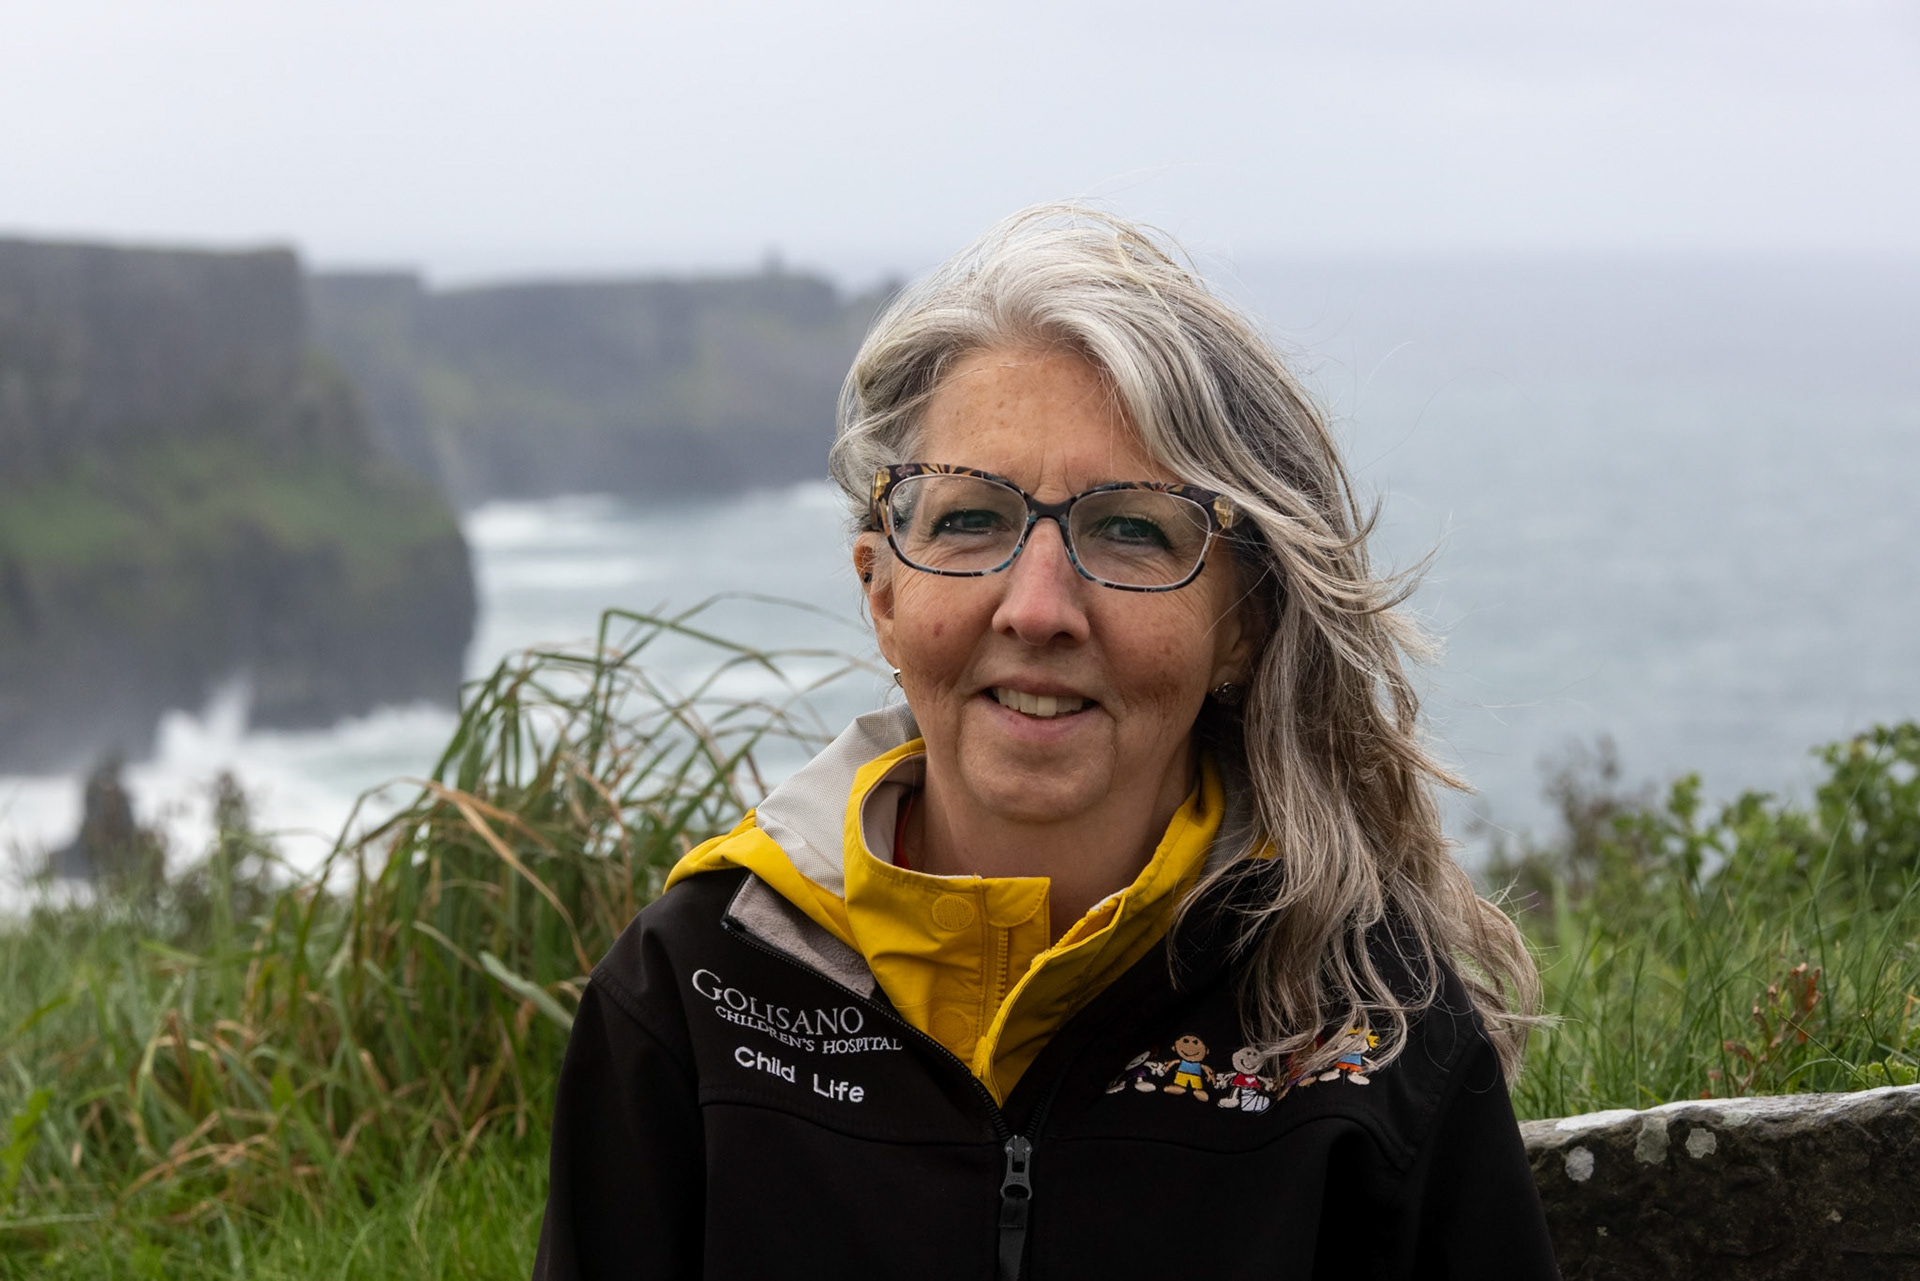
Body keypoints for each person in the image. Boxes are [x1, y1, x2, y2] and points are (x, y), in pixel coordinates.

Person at [533, 205, 1560, 1280]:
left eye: (1130, 528)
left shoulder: (1369, 1028)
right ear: (880, 590)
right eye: (970, 519)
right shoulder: (694, 990)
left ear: (1245, 625)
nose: (1036, 608)